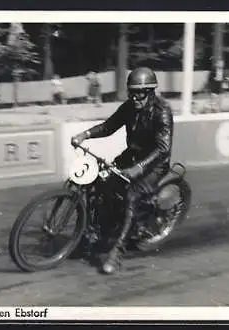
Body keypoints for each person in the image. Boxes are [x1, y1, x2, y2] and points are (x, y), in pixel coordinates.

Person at [71, 67, 174, 274]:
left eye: (140, 93)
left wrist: (139, 168)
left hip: (153, 164)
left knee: (132, 196)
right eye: (132, 92)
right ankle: (93, 234)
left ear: (151, 92)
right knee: (101, 181)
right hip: (132, 156)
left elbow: (163, 149)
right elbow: (109, 126)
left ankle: (117, 251)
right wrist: (85, 134)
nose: (135, 97)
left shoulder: (162, 111)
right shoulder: (129, 107)